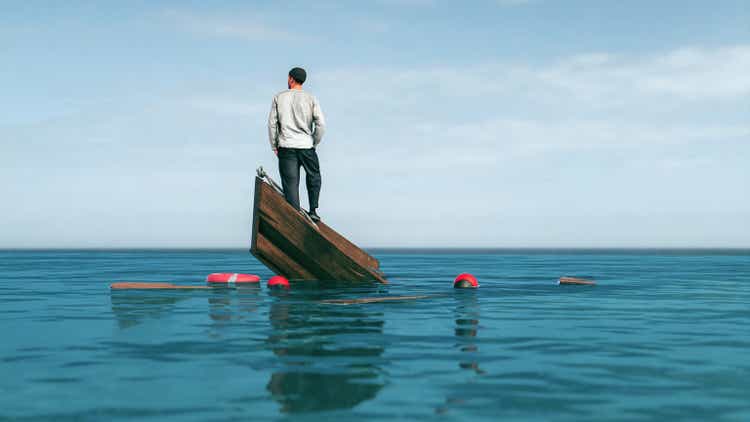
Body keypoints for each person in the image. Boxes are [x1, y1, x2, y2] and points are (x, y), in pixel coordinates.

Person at [267, 67, 326, 222]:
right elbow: (321, 124)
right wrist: (314, 141)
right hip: (306, 146)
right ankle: (313, 210)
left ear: (291, 79)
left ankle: (295, 217)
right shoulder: (311, 98)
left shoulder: (279, 97)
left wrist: (274, 145)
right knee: (314, 176)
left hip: (286, 147)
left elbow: (272, 124)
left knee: (291, 184)